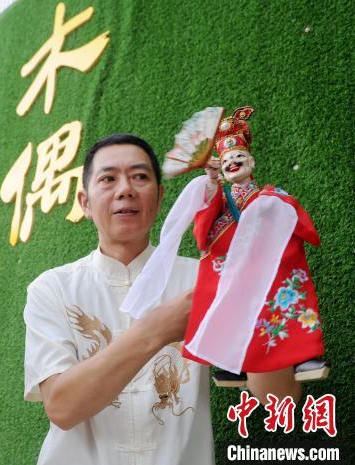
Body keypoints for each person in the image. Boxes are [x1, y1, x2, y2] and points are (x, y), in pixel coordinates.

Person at [24, 134, 214, 465]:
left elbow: (273, 392)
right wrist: (155, 331)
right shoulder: (52, 288)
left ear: (159, 197)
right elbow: (61, 407)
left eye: (140, 176)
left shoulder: (202, 280)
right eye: (108, 179)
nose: (125, 189)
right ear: (85, 203)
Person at [182, 106, 324, 400]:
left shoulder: (270, 196)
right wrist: (211, 187)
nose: (232, 162)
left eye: (238, 157)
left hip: (268, 266)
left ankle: (304, 356)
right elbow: (202, 235)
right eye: (226, 161)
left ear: (251, 161)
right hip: (235, 269)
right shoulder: (220, 201)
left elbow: (295, 219)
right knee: (228, 308)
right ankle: (232, 365)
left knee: (284, 303)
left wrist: (271, 207)